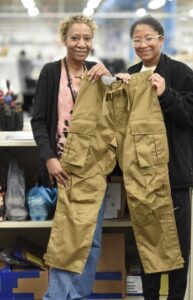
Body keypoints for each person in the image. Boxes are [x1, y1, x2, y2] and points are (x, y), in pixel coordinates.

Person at [116, 15, 193, 300]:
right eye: (137, 40)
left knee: (177, 246)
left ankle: (176, 297)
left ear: (161, 40)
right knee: (148, 240)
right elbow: (120, 124)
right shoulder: (131, 74)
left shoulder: (180, 72)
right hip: (142, 174)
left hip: (174, 174)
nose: (143, 45)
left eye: (148, 38)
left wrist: (166, 93)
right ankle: (150, 296)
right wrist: (118, 92)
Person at [31, 14, 111, 299]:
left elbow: (114, 118)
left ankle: (79, 295)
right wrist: (49, 158)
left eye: (87, 38)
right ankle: (57, 297)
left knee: (92, 240)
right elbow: (38, 121)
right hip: (63, 169)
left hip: (93, 169)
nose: (81, 44)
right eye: (75, 37)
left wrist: (114, 80)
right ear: (64, 39)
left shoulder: (98, 73)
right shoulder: (52, 72)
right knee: (67, 240)